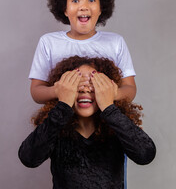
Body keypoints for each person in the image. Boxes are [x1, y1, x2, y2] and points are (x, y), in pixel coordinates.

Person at [19, 56, 156, 188]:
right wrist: (63, 106)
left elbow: (145, 154)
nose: (85, 89)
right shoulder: (56, 129)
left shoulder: (116, 128)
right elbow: (29, 158)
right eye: (77, 85)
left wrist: (109, 108)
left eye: (93, 85)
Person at [29, 0, 137, 104]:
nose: (83, 7)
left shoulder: (115, 42)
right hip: (62, 121)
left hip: (105, 121)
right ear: (65, 9)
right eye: (75, 0)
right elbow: (36, 92)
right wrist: (56, 90)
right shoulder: (49, 42)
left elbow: (130, 88)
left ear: (101, 8)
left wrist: (113, 93)